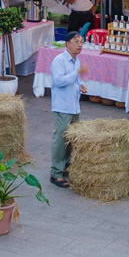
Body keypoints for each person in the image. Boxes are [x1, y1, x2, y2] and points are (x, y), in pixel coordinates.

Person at [50, 32, 88, 188]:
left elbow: (75, 80)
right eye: (76, 42)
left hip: (74, 106)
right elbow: (58, 81)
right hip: (63, 106)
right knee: (60, 140)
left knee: (71, 140)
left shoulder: (76, 60)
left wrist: (81, 85)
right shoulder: (59, 60)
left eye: (81, 42)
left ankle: (66, 168)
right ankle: (56, 173)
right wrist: (76, 74)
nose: (80, 45)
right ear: (67, 44)